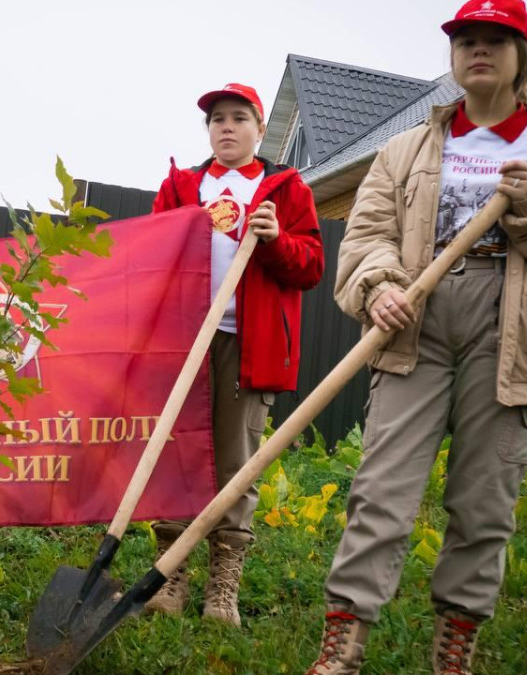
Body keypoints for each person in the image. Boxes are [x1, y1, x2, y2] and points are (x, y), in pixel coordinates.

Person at [306, 2, 527, 673]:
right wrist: (378, 285)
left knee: (484, 502)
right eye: (467, 40)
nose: (479, 50)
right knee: (381, 490)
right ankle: (343, 645)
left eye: (495, 40)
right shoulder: (405, 149)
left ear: (522, 54)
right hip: (414, 321)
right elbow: (366, 235)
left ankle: (453, 651)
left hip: (516, 333)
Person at [147, 83, 324, 624]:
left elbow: (312, 266)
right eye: (217, 118)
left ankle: (222, 586)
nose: (226, 126)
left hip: (249, 347)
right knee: (175, 455)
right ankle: (170, 575)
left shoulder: (286, 190)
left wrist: (276, 241)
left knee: (235, 464)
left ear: (260, 128)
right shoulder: (182, 187)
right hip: (185, 342)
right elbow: (152, 257)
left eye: (238, 117)